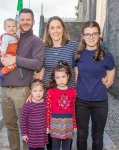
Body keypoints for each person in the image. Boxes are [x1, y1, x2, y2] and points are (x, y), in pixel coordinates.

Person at [0, 8, 45, 150]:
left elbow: (38, 63)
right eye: (22, 19)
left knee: (26, 128)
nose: (25, 22)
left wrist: (15, 59)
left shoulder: (36, 42)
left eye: (28, 19)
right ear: (18, 21)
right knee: (10, 126)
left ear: (33, 22)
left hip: (22, 91)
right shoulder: (9, 37)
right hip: (4, 90)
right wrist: (2, 60)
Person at [34, 16, 78, 149]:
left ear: (63, 29)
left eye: (58, 27)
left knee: (66, 136)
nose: (55, 31)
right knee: (50, 136)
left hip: (67, 99)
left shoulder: (73, 46)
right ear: (48, 30)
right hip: (49, 98)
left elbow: (78, 70)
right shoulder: (43, 48)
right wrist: (35, 92)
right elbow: (40, 72)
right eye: (52, 27)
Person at [72, 21, 115, 150]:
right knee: (81, 135)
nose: (91, 37)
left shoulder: (107, 56)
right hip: (81, 101)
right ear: (83, 36)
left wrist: (98, 89)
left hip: (100, 102)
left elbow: (110, 80)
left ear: (99, 35)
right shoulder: (78, 55)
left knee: (97, 136)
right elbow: (77, 78)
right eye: (87, 34)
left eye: (94, 34)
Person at [46, 60, 77, 150]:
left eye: (63, 76)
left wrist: (74, 125)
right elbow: (48, 110)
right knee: (55, 147)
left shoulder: (73, 92)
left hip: (68, 124)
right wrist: (47, 126)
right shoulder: (50, 92)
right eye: (58, 77)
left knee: (67, 147)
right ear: (54, 78)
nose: (61, 80)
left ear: (68, 76)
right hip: (55, 124)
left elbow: (73, 109)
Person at [21, 79, 48, 150]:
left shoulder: (46, 104)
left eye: (40, 90)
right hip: (32, 136)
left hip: (42, 136)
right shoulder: (27, 105)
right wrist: (24, 134)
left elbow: (48, 117)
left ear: (43, 91)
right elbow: (23, 121)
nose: (38, 93)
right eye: (35, 91)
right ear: (31, 92)